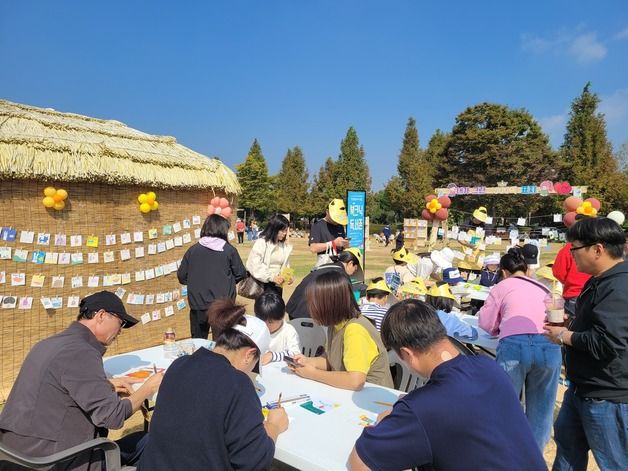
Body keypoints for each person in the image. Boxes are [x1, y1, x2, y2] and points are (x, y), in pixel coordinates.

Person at [348, 299, 546, 471]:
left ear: (407, 354)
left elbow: (358, 463)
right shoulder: (489, 367)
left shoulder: (420, 409)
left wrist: (390, 416)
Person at [0, 291, 163, 471]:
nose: (120, 331)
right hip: (56, 460)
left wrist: (106, 384)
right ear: (101, 316)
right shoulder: (82, 352)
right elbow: (112, 416)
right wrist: (148, 387)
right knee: (153, 442)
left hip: (16, 455)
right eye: (121, 323)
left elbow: (57, 388)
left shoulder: (50, 344)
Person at [137, 299, 288, 471]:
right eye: (254, 364)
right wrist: (273, 426)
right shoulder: (238, 385)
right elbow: (255, 462)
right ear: (249, 354)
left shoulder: (180, 364)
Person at [544, 217, 628, 471]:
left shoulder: (619, 287)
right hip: (581, 388)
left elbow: (608, 342)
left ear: (598, 249)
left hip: (607, 395)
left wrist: (564, 336)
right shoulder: (597, 280)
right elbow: (596, 326)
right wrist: (571, 324)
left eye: (575, 248)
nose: (571, 255)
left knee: (614, 462)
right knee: (568, 454)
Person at [478, 247, 562, 451]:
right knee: (542, 409)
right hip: (548, 346)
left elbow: (486, 323)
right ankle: (533, 457)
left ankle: (503, 452)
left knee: (505, 403)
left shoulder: (502, 286)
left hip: (514, 346)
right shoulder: (544, 288)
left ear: (504, 272)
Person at [288, 270, 393, 390]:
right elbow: (333, 359)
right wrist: (308, 362)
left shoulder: (355, 330)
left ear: (329, 304)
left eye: (313, 304)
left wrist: (312, 374)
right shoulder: (336, 324)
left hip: (373, 400)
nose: (310, 309)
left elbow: (355, 381)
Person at [177, 214, 247, 339]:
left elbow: (182, 276)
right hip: (223, 307)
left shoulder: (192, 250)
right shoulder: (228, 250)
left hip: (198, 305)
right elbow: (241, 273)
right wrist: (227, 281)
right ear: (222, 230)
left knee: (198, 343)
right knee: (221, 344)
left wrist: (197, 281)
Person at [286, 247, 363, 319]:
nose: (353, 273)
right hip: (309, 316)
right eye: (355, 269)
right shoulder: (342, 276)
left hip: (293, 310)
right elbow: (349, 306)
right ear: (350, 264)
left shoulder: (324, 267)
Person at [245, 214, 293, 296]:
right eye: (282, 230)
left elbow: (285, 264)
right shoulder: (261, 243)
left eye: (286, 230)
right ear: (274, 229)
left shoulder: (283, 246)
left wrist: (288, 276)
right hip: (263, 284)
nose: (284, 233)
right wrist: (272, 277)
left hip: (278, 285)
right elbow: (255, 265)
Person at [255, 291, 301, 365]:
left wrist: (273, 356)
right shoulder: (257, 328)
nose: (265, 325)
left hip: (281, 372)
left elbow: (295, 356)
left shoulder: (289, 331)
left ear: (282, 317)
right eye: (262, 321)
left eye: (270, 322)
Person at [552, 239, 591, 319]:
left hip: (573, 293)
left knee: (572, 326)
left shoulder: (568, 248)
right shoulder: (594, 246)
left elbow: (558, 272)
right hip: (594, 293)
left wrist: (567, 281)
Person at [309, 198, 350, 267]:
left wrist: (345, 244)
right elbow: (313, 248)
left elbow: (344, 248)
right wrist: (333, 243)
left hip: (339, 265)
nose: (336, 221)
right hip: (324, 265)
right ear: (327, 212)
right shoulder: (318, 226)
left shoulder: (340, 226)